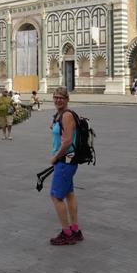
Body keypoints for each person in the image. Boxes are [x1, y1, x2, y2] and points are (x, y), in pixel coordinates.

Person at [48, 86, 83, 245]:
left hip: (65, 161)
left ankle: (67, 233)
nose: (58, 100)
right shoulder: (60, 114)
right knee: (69, 194)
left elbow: (67, 141)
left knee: (56, 197)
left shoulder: (67, 115)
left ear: (67, 99)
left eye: (61, 97)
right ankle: (75, 230)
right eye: (55, 97)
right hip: (68, 161)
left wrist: (55, 157)